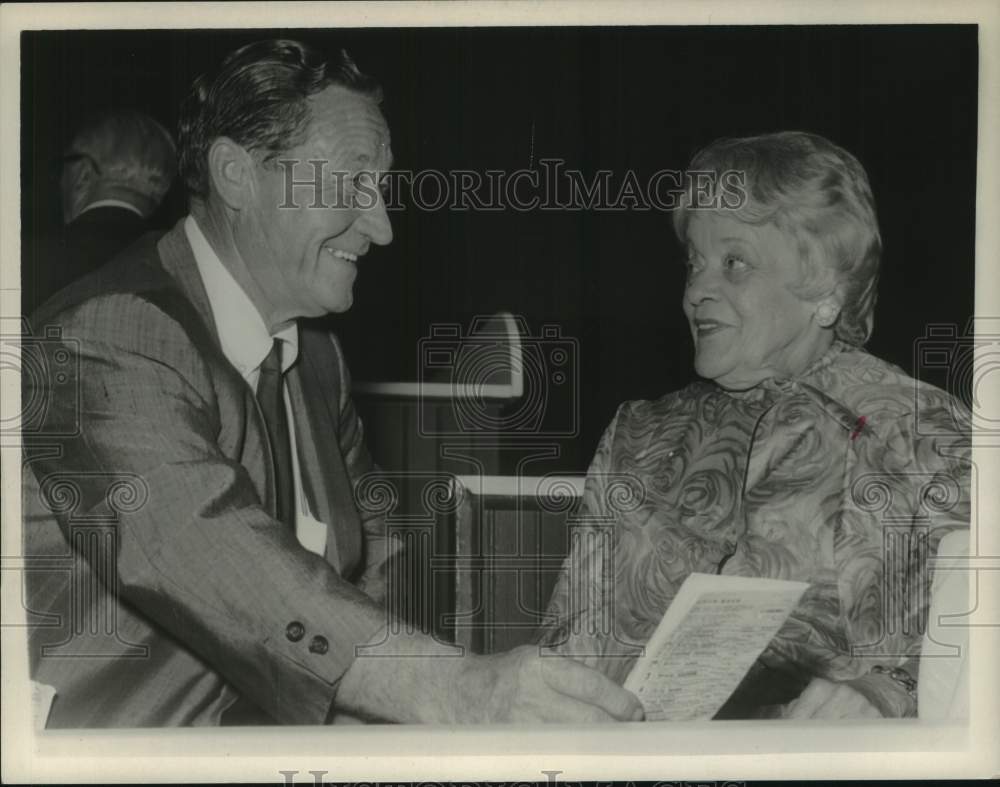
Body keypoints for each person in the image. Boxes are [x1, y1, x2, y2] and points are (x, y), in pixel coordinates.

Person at [22, 39, 642, 727]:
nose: (382, 227)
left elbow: (379, 566)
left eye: (381, 189)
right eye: (350, 185)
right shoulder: (110, 334)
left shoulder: (317, 359)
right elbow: (215, 554)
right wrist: (459, 689)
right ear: (235, 174)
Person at [535, 131, 971, 719]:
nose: (696, 290)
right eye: (694, 263)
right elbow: (567, 652)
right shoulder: (639, 436)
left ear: (826, 286)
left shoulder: (926, 432)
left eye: (734, 263)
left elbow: (976, 647)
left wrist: (889, 692)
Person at [25, 110, 177, 313]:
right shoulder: (182, 267)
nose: (59, 180)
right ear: (160, 190)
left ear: (83, 174)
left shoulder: (30, 263)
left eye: (63, 167)